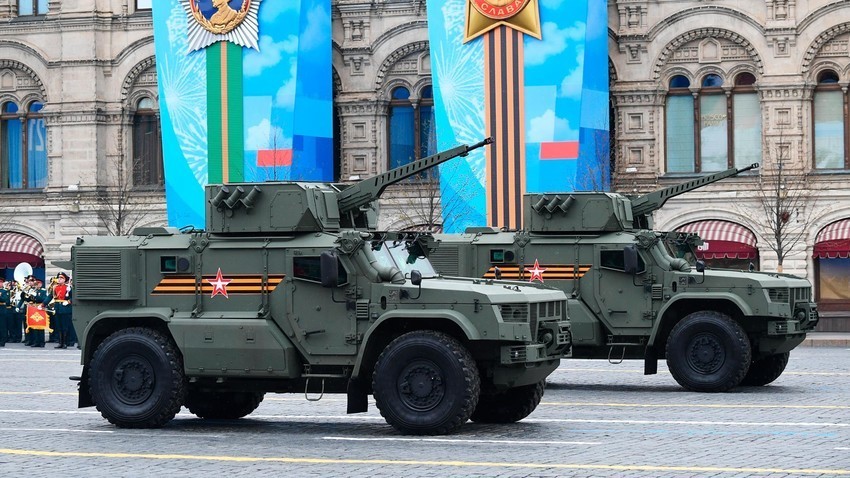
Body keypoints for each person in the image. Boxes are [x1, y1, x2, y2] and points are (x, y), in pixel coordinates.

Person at [50, 272, 72, 349]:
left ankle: (65, 342)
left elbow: (73, 298)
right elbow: (50, 297)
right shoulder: (55, 287)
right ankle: (60, 342)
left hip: (65, 309)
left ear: (65, 279)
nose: (59, 279)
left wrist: (68, 301)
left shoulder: (68, 288)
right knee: (59, 326)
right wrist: (42, 304)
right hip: (57, 309)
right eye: (59, 277)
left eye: (61, 278)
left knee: (65, 326)